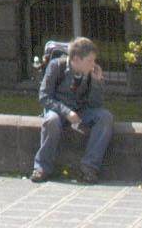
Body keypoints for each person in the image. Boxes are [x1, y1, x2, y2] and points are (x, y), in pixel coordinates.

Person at [31, 36, 114, 183]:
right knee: (52, 121)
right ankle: (42, 167)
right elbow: (44, 97)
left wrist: (96, 82)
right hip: (58, 110)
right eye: (90, 61)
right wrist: (66, 112)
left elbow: (96, 104)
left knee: (105, 117)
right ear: (76, 58)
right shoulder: (57, 66)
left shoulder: (90, 73)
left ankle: (89, 167)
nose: (93, 64)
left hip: (81, 110)